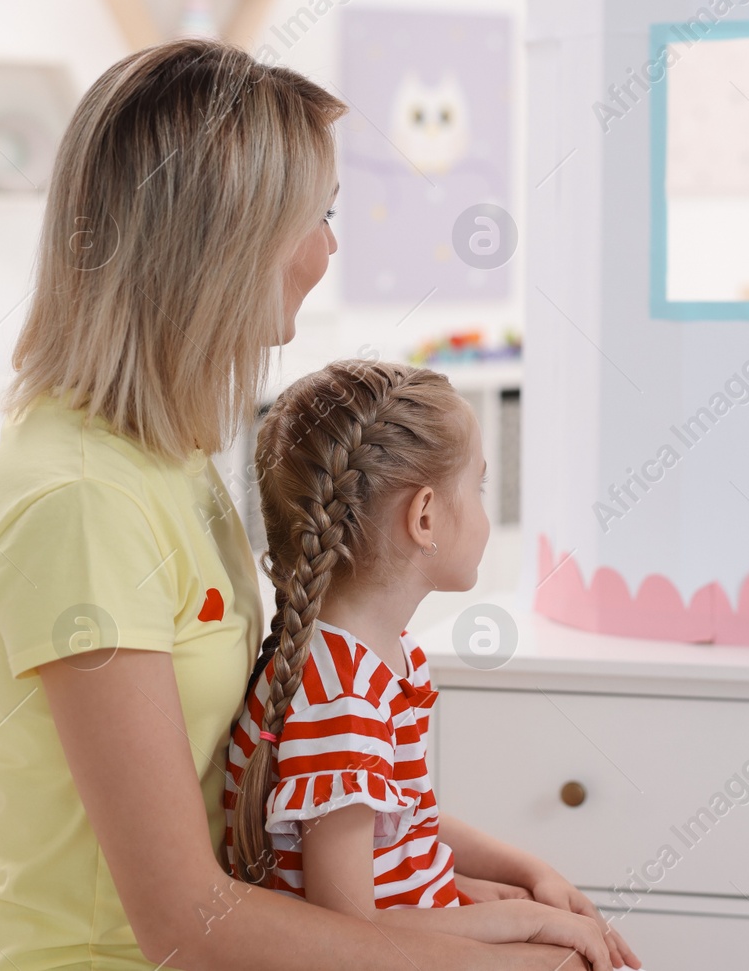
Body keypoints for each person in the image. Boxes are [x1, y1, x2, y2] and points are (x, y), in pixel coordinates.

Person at [0, 38, 589, 970]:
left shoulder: (170, 456)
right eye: (317, 217)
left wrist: (483, 883)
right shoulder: (82, 504)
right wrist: (503, 957)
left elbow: (283, 782)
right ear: (223, 241)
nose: (329, 250)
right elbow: (186, 921)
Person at [225, 360, 641, 971]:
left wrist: (526, 873)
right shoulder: (343, 698)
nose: (483, 510)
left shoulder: (369, 659)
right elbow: (348, 928)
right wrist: (523, 919)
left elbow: (403, 817)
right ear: (423, 518)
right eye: (477, 487)